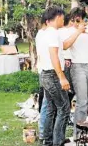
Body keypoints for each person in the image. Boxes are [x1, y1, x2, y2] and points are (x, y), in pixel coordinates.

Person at [63, 7, 88, 141]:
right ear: (73, 19)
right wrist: (78, 31)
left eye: (84, 19)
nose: (81, 21)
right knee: (82, 101)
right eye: (78, 19)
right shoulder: (69, 31)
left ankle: (82, 129)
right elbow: (65, 45)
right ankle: (78, 135)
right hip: (77, 66)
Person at [39, 6, 70, 146]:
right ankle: (58, 142)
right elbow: (54, 56)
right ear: (57, 17)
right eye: (63, 18)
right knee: (64, 108)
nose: (63, 20)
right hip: (52, 75)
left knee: (51, 108)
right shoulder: (53, 33)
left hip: (45, 74)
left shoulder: (43, 33)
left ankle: (48, 141)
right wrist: (62, 77)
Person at [36, 13, 47, 142]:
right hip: (45, 71)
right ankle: (43, 132)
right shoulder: (43, 34)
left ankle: (45, 132)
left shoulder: (43, 34)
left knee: (46, 102)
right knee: (46, 103)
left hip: (44, 70)